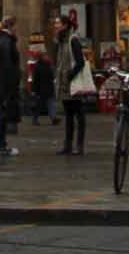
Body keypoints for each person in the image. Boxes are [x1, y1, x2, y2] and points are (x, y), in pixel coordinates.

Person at [55, 11, 87, 157]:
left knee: (79, 114)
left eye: (58, 24)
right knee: (68, 115)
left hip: (73, 83)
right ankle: (67, 145)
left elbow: (80, 62)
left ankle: (79, 146)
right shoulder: (61, 41)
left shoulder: (73, 40)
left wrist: (70, 74)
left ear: (65, 25)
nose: (56, 26)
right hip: (64, 83)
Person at [0, 15, 21, 160]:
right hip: (5, 84)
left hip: (0, 83)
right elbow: (8, 66)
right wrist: (12, 86)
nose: (16, 29)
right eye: (15, 26)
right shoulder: (6, 42)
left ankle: (1, 145)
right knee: (3, 116)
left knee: (2, 115)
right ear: (10, 27)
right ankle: (2, 147)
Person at [28, 43, 56, 127]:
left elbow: (51, 76)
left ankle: (52, 118)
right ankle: (36, 119)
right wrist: (33, 90)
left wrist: (33, 90)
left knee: (47, 104)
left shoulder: (44, 65)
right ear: (42, 57)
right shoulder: (42, 66)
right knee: (42, 105)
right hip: (43, 89)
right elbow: (36, 79)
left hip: (44, 89)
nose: (46, 56)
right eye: (44, 55)